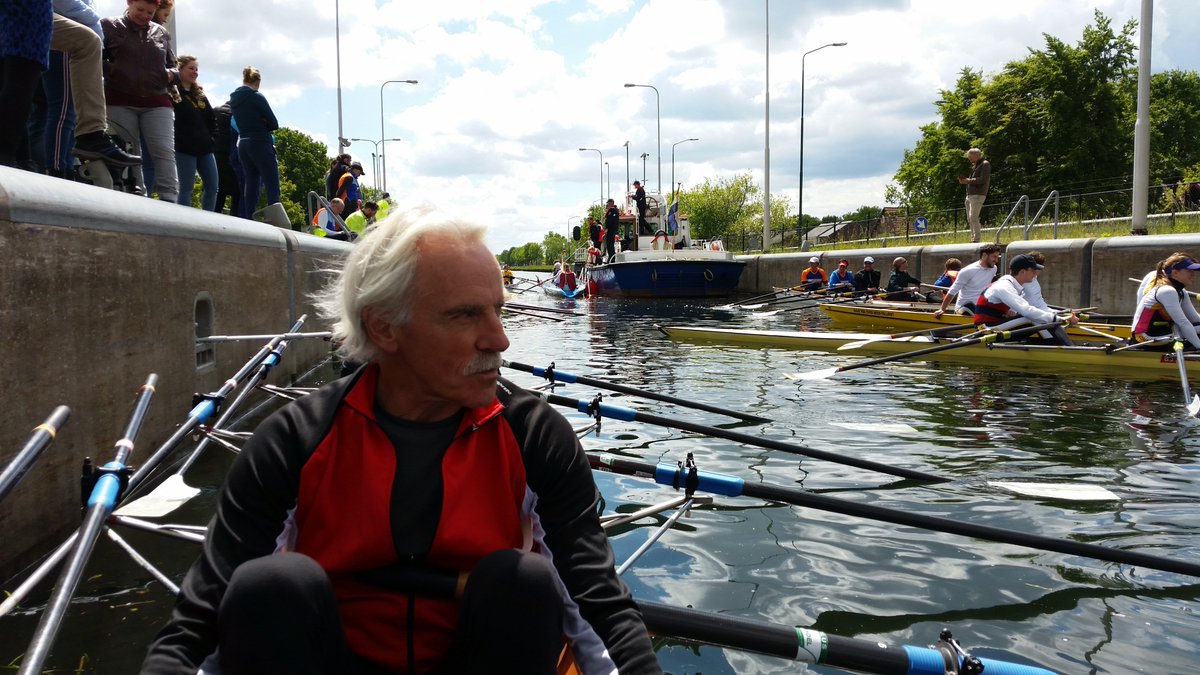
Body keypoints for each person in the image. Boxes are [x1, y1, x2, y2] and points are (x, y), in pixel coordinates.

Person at [140, 208, 660, 674]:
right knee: (272, 586)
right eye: (465, 315)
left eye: (498, 310)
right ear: (385, 329)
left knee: (523, 582)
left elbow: (597, 599)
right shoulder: (295, 439)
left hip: (475, 659)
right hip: (334, 659)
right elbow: (196, 626)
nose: (499, 339)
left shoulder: (534, 434)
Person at [101, 0, 181, 202]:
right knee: (128, 148)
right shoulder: (109, 25)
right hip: (119, 98)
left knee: (163, 150)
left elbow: (174, 67)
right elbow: (96, 57)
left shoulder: (161, 33)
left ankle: (170, 198)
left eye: (150, 12)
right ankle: (134, 194)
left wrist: (169, 75)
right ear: (129, 3)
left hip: (157, 100)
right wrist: (113, 70)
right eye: (140, 10)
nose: (145, 16)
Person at [973, 254, 1078, 345]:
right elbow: (1027, 310)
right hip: (985, 328)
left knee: (1037, 317)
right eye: (1032, 270)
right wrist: (1058, 319)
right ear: (1022, 272)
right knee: (1033, 318)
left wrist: (1011, 312)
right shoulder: (1004, 286)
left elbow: (1019, 309)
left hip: (997, 324)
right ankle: (1061, 348)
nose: (1035, 273)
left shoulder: (1013, 285)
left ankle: (1055, 345)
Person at [0, 0, 52, 168]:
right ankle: (6, 159)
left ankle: (21, 158)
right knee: (20, 82)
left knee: (12, 83)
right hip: (28, 13)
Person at [230, 66, 280, 219]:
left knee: (251, 182)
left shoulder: (234, 98)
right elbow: (274, 123)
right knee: (271, 180)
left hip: (243, 143)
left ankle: (248, 216)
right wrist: (262, 121)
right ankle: (276, 216)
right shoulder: (257, 97)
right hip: (260, 141)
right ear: (257, 81)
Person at [172, 55, 217, 210]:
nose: (195, 72)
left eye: (196, 69)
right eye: (191, 68)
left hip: (205, 149)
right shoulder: (173, 93)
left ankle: (208, 220)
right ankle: (183, 221)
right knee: (186, 188)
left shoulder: (200, 95)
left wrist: (211, 139)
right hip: (184, 149)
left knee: (212, 187)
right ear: (180, 69)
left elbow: (212, 119)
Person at [1131, 253, 1200, 350]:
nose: (1193, 274)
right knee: (1191, 332)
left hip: (1164, 331)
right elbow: (1183, 323)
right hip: (1145, 336)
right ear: (1175, 272)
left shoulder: (1181, 292)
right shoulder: (1167, 291)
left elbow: (1195, 319)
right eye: (1189, 270)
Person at [935, 244, 1001, 317]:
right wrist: (942, 309)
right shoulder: (967, 271)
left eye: (997, 257)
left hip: (979, 307)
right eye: (994, 257)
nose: (996, 260)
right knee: (969, 305)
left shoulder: (993, 269)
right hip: (964, 308)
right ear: (984, 255)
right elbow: (952, 291)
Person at [211, 100, 240, 215]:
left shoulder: (215, 111)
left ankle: (212, 218)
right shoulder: (236, 115)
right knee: (237, 192)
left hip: (214, 154)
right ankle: (236, 219)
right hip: (230, 155)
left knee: (217, 191)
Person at [958, 147, 990, 243]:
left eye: (970, 157)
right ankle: (973, 238)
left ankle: (976, 239)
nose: (969, 159)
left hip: (978, 194)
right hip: (970, 195)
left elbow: (983, 179)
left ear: (977, 155)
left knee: (973, 216)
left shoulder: (985, 164)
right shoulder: (975, 166)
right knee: (969, 218)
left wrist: (968, 181)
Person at [602, 198, 620, 262]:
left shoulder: (612, 210)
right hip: (612, 230)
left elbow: (610, 220)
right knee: (610, 245)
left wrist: (607, 228)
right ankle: (611, 258)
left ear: (611, 203)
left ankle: (611, 258)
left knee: (610, 245)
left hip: (611, 230)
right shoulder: (614, 210)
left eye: (609, 203)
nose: (608, 204)